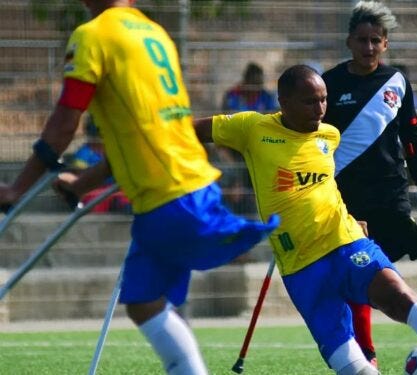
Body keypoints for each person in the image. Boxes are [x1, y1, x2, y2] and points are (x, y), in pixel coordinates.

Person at [0, 1, 279, 373]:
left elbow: (65, 121)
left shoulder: (93, 35)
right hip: (192, 184)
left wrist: (17, 188)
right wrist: (83, 182)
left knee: (147, 301)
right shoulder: (154, 33)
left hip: (168, 197)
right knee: (146, 301)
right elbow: (143, 130)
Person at [194, 64, 417, 375]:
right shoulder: (252, 128)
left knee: (396, 294)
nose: (320, 109)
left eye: (323, 100)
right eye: (309, 101)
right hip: (301, 264)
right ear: (283, 102)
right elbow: (189, 131)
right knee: (349, 360)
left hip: (346, 241)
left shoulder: (329, 135)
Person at [321, 1, 417, 367]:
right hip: (346, 195)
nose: (368, 47)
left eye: (376, 40)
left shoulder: (397, 82)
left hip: (390, 193)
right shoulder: (330, 83)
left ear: (385, 44)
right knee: (360, 272)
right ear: (349, 42)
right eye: (362, 40)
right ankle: (367, 357)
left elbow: (412, 137)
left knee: (382, 275)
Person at [215, 61, 280, 214]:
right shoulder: (233, 95)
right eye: (253, 83)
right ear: (246, 81)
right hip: (234, 148)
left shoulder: (266, 96)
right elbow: (227, 121)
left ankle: (255, 212)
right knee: (234, 179)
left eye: (259, 83)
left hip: (260, 146)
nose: (257, 87)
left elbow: (272, 120)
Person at [64, 117, 131, 213]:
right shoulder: (85, 153)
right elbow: (79, 174)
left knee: (127, 200)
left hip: (117, 189)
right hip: (95, 191)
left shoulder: (116, 151)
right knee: (95, 202)